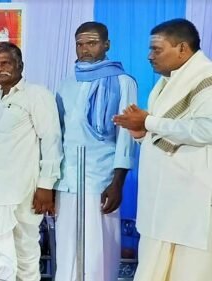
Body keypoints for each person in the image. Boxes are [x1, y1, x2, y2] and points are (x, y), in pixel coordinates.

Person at [113, 19, 212, 280]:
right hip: (162, 200)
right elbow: (167, 136)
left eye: (157, 49)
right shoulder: (167, 82)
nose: (149, 56)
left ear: (182, 48)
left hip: (191, 201)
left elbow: (207, 130)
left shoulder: (206, 79)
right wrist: (141, 134)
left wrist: (147, 121)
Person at [53, 22, 137, 281]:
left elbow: (126, 136)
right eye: (80, 44)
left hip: (100, 179)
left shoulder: (123, 82)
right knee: (66, 249)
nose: (85, 49)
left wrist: (117, 183)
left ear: (106, 45)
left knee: (98, 249)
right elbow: (58, 134)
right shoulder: (67, 83)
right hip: (66, 181)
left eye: (91, 43)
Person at [0, 42, 62, 281]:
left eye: (6, 63)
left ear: (20, 65)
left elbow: (51, 139)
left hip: (22, 190)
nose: (0, 69)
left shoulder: (37, 95)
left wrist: (46, 186)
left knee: (25, 253)